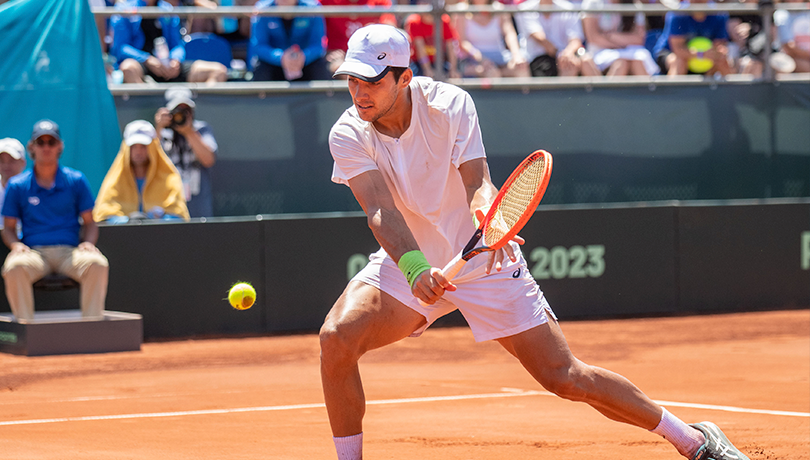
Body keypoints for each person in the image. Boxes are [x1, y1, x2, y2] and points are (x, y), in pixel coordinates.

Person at [320, 24, 750, 460]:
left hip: (483, 259)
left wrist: (489, 218)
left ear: (404, 77)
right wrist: (414, 270)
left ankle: (695, 440)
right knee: (336, 338)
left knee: (565, 377)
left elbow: (478, 183)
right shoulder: (348, 132)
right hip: (409, 257)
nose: (359, 92)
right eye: (352, 80)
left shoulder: (450, 104)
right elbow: (380, 211)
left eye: (371, 81)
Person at [1, 120, 109, 322]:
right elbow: (8, 228)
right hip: (33, 253)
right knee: (14, 267)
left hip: (70, 253)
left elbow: (90, 223)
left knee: (97, 263)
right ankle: (26, 330)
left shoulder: (76, 180)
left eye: (51, 142)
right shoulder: (17, 185)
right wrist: (15, 245)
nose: (46, 147)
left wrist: (87, 243)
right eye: (40, 142)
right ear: (31, 147)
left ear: (60, 146)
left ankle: (91, 327)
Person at [93, 120, 190, 223]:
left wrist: (156, 220)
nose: (138, 152)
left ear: (153, 147)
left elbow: (179, 217)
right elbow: (103, 216)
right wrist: (127, 221)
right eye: (134, 147)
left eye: (143, 147)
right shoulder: (115, 180)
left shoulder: (170, 178)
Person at [110, 0, 228, 84]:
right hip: (143, 65)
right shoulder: (124, 9)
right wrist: (147, 59)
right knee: (128, 68)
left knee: (218, 71)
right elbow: (121, 48)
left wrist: (175, 60)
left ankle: (192, 116)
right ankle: (149, 113)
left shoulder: (167, 9)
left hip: (169, 66)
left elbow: (177, 44)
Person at [154, 88, 217, 218]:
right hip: (168, 206)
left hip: (197, 204)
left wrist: (188, 132)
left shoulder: (201, 129)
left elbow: (208, 160)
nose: (181, 115)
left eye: (185, 110)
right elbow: (151, 162)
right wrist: (158, 128)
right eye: (177, 111)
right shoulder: (162, 133)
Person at [249, 0, 331, 81]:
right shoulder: (262, 9)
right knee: (261, 68)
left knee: (319, 67)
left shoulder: (313, 8)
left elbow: (318, 45)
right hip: (274, 64)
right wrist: (281, 58)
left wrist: (303, 57)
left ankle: (323, 94)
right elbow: (258, 46)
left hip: (305, 63)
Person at [515, 0, 601, 77]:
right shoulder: (525, 8)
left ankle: (599, 93)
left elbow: (576, 39)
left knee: (583, 62)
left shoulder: (568, 8)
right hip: (538, 59)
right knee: (567, 65)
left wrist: (568, 53)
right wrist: (563, 55)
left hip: (563, 56)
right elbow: (542, 40)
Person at [652, 0, 732, 77]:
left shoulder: (719, 14)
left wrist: (715, 54)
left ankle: (727, 90)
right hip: (670, 52)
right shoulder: (678, 14)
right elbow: (678, 50)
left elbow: (719, 46)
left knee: (721, 60)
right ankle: (672, 90)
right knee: (679, 62)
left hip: (705, 56)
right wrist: (701, 54)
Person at [581, 0, 660, 76]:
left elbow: (639, 39)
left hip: (628, 50)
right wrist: (622, 42)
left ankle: (648, 89)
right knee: (621, 64)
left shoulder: (635, 4)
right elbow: (593, 38)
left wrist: (611, 36)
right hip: (599, 52)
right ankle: (608, 90)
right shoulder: (593, 2)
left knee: (638, 63)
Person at [455, 0, 530, 78]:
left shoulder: (499, 8)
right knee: (491, 73)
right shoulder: (461, 10)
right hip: (473, 60)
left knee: (521, 68)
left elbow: (509, 33)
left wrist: (516, 55)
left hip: (500, 57)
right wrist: (482, 59)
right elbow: (462, 42)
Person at [320, 0, 397, 75]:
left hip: (370, 56)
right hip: (338, 55)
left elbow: (390, 31)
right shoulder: (327, 2)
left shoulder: (379, 2)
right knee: (339, 67)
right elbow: (316, 34)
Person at [405, 0, 461, 78]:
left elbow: (450, 46)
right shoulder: (415, 21)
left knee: (452, 77)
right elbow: (420, 48)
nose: (425, 5)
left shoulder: (444, 20)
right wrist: (427, 69)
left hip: (440, 60)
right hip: (419, 62)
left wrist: (453, 69)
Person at [774, 0, 810, 74]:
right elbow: (789, 47)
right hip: (792, 58)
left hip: (806, 57)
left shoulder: (807, 10)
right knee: (802, 65)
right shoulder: (782, 13)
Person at [0, 138, 27, 208]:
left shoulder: (32, 190)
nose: (6, 165)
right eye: (2, 160)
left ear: (23, 163)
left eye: (11, 160)